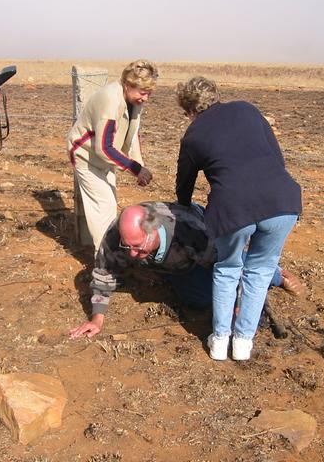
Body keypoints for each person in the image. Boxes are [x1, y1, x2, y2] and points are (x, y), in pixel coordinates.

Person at [175, 77, 302, 362]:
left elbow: (184, 182)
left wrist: (183, 208)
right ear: (217, 96)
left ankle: (220, 341)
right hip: (282, 201)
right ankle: (243, 343)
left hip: (231, 209)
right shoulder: (247, 109)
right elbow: (276, 156)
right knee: (259, 272)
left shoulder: (193, 135)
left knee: (227, 269)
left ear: (189, 110)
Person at [69, 202, 304, 339]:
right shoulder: (117, 234)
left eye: (137, 247)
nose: (130, 253)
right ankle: (164, 269)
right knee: (198, 301)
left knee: (236, 271)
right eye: (126, 246)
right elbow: (104, 273)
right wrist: (97, 319)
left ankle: (276, 274)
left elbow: (227, 266)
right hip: (175, 265)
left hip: (203, 252)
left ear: (155, 231)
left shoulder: (192, 233)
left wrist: (239, 305)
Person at [67, 60, 158, 252]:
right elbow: (104, 148)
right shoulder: (110, 100)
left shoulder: (133, 100)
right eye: (143, 92)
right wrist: (135, 169)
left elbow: (132, 134)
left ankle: (110, 253)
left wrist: (139, 164)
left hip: (104, 159)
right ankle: (105, 262)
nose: (146, 98)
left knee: (108, 205)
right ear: (127, 85)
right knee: (104, 208)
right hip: (86, 156)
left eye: (149, 93)